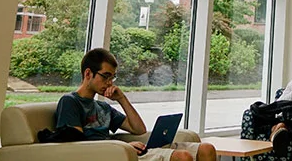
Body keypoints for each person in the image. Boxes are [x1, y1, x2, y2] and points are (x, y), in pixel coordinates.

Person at [54, 48, 216, 161]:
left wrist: (122, 99)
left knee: (207, 149)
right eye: (106, 76)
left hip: (120, 150)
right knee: (183, 157)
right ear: (88, 73)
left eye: (112, 78)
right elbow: (76, 144)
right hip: (110, 154)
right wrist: (122, 146)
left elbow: (138, 129)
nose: (109, 83)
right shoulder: (70, 102)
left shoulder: (103, 107)